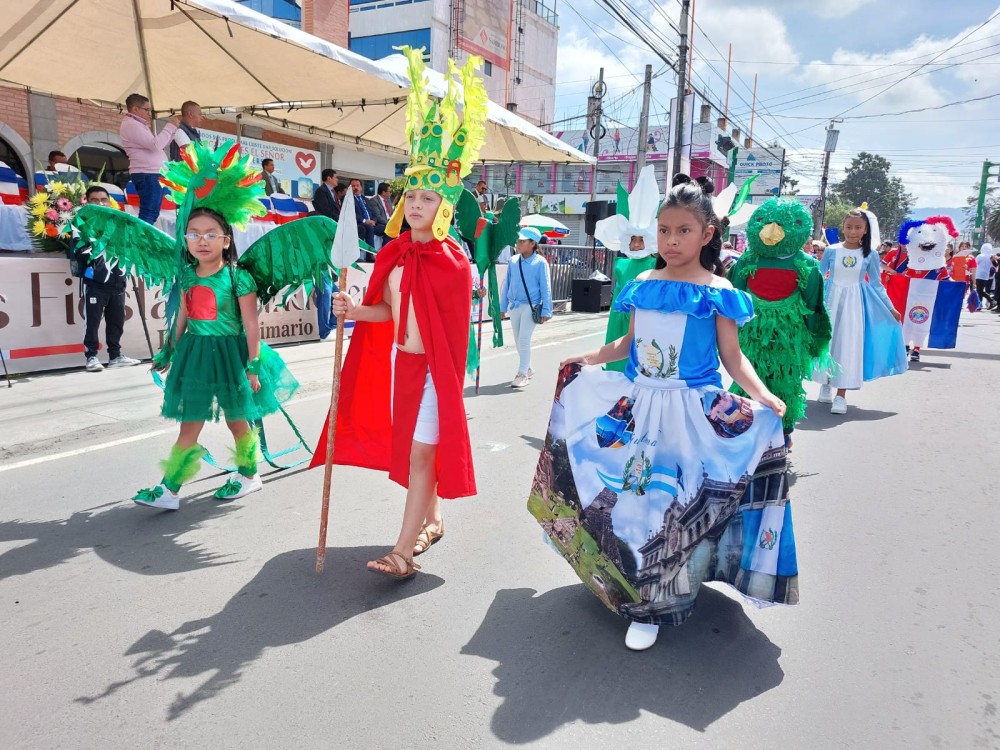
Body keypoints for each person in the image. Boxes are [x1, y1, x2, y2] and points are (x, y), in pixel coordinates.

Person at [528, 180, 797, 651]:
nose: (671, 241)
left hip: (689, 414)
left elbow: (733, 359)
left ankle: (654, 604)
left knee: (671, 502)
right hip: (638, 407)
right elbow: (625, 345)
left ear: (707, 234)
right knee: (633, 500)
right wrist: (587, 360)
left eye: (683, 231)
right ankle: (637, 595)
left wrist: (763, 395)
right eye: (664, 230)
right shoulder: (641, 285)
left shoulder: (718, 291)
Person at [309, 46, 483, 579]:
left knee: (422, 456)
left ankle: (403, 552)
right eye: (411, 195)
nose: (415, 204)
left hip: (435, 372)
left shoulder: (453, 262)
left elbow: (449, 327)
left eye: (428, 199)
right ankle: (431, 521)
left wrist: (445, 373)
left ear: (445, 207)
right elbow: (387, 310)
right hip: (402, 368)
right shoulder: (394, 254)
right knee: (412, 452)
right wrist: (352, 308)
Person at [729, 197, 830, 447]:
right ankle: (752, 427)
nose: (772, 231)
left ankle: (781, 432)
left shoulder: (804, 264)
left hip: (787, 337)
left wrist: (808, 337)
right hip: (754, 336)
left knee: (783, 381)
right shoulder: (747, 261)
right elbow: (734, 299)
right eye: (766, 222)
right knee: (750, 377)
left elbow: (811, 305)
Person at [813, 208, 906, 414]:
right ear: (842, 228)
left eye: (858, 227)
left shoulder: (870, 254)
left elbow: (876, 284)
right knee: (827, 342)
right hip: (830, 301)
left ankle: (841, 394)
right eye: (849, 227)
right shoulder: (832, 250)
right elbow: (818, 277)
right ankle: (826, 383)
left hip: (854, 305)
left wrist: (890, 308)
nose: (852, 231)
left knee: (848, 345)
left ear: (865, 230)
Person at [594, 165, 660, 373]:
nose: (638, 245)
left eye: (642, 240)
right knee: (617, 358)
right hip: (619, 316)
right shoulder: (620, 264)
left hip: (643, 316)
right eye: (634, 240)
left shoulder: (655, 264)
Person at [74, 185, 141, 372]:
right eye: (94, 200)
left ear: (109, 201)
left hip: (118, 281)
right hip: (95, 282)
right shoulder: (82, 223)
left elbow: (127, 247)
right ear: (87, 202)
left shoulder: (119, 223)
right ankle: (91, 357)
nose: (100, 203)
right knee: (93, 322)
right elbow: (79, 252)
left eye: (103, 199)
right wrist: (102, 243)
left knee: (116, 321)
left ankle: (115, 356)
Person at [499, 227, 553, 388]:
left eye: (522, 241)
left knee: (523, 338)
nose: (518, 243)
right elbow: (506, 284)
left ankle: (522, 374)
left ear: (532, 243)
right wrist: (503, 307)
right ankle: (527, 368)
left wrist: (546, 310)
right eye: (518, 240)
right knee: (518, 340)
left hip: (532, 305)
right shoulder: (513, 261)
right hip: (515, 305)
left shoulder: (540, 262)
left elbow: (546, 287)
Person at [120, 93, 180, 225]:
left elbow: (160, 145)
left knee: (152, 213)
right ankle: (140, 243)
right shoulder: (131, 125)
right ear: (135, 109)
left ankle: (142, 241)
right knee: (148, 213)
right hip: (147, 174)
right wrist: (170, 127)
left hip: (152, 174)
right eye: (146, 110)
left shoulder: (138, 124)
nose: (149, 113)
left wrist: (173, 130)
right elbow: (155, 144)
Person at [350, 178, 377, 258]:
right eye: (353, 186)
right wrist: (365, 221)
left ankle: (386, 254)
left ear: (361, 187)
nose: (355, 188)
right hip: (359, 223)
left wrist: (374, 221)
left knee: (387, 229)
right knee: (369, 228)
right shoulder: (349, 199)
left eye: (357, 186)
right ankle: (370, 254)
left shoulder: (365, 199)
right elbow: (352, 214)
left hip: (371, 223)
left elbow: (372, 212)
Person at [368, 181, 393, 250]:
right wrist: (389, 223)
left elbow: (392, 213)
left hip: (390, 222)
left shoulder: (388, 200)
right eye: (390, 191)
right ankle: (385, 251)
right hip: (380, 224)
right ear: (383, 192)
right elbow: (378, 217)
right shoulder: (374, 201)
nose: (391, 193)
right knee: (388, 230)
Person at [975, 241, 996, 310]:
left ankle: (991, 300)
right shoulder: (991, 257)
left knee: (980, 291)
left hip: (979, 275)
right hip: (986, 275)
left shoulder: (980, 256)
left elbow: (975, 264)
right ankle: (979, 304)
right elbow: (994, 265)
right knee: (980, 290)